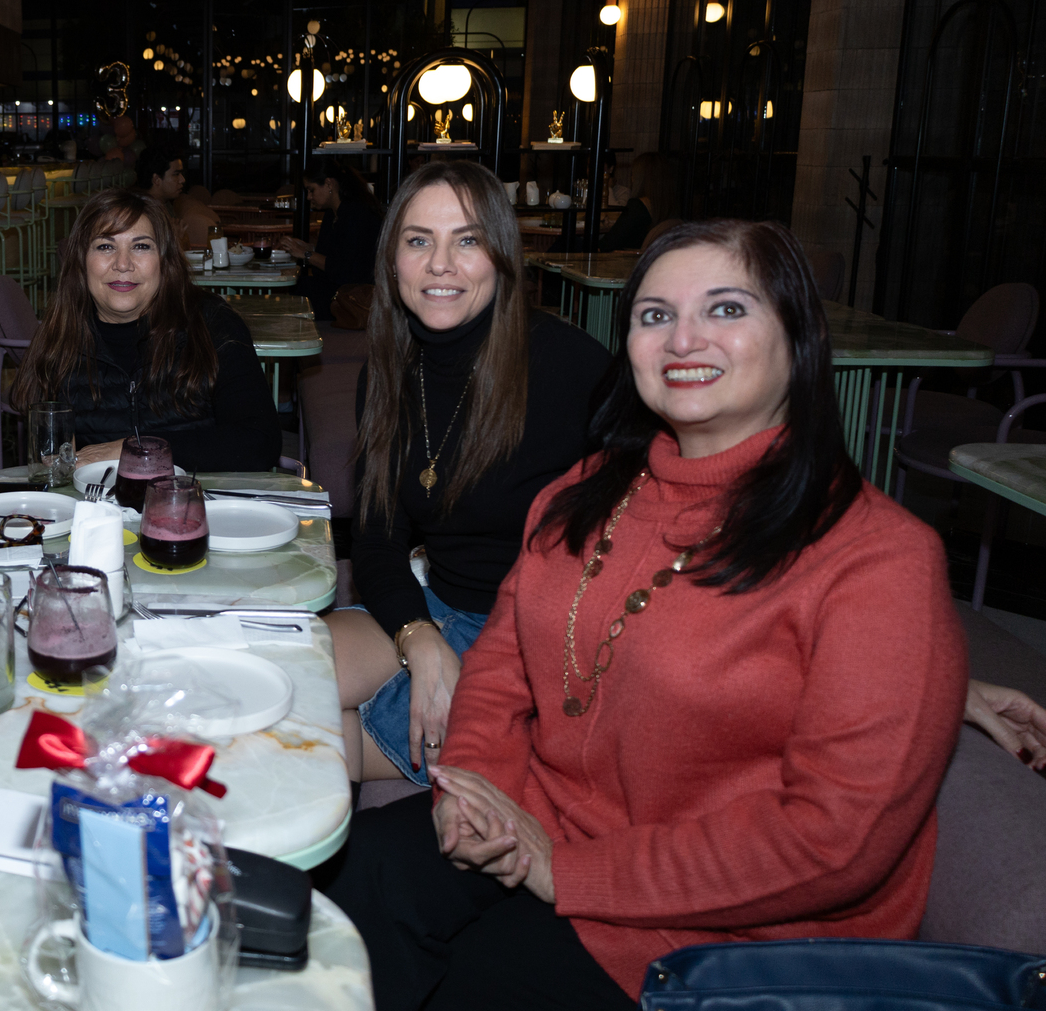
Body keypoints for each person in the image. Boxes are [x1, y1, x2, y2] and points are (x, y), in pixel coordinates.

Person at [327, 219, 970, 1009]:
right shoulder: (586, 491)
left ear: (798, 336)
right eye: (655, 315)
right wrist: (474, 791)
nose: (683, 339)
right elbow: (502, 660)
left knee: (478, 978)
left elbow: (839, 841)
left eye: (727, 310)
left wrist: (568, 871)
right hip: (542, 822)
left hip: (722, 930)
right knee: (350, 900)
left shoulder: (879, 557)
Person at [327, 160, 612, 789]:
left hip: (533, 643)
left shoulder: (572, 369)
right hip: (435, 604)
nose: (440, 265)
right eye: (419, 240)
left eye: (468, 240)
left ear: (502, 256)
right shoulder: (391, 371)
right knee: (273, 680)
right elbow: (375, 540)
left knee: (308, 749)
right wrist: (419, 636)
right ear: (392, 258)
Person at [10, 188, 281, 470]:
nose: (123, 264)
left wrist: (136, 449)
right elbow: (49, 467)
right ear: (81, 261)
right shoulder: (59, 340)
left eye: (141, 246)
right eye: (105, 246)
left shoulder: (211, 324)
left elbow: (260, 443)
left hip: (199, 504)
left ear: (164, 261)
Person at [281, 159, 386, 319]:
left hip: (357, 294)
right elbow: (334, 255)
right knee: (301, 286)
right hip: (340, 286)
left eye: (311, 190)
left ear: (329, 184)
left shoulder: (356, 213)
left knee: (303, 291)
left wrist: (307, 254)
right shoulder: (332, 214)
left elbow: (344, 269)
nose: (309, 197)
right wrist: (309, 249)